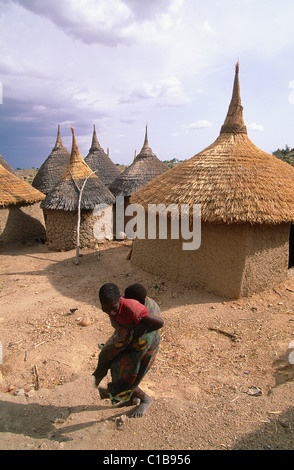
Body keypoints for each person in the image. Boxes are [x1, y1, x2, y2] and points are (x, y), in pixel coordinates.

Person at [92, 282, 163, 418]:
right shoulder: (117, 305)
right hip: (130, 342)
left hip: (143, 346)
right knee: (116, 367)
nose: (110, 313)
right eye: (105, 309)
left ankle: (145, 399)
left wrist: (135, 335)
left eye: (113, 308)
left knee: (126, 377)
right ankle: (132, 398)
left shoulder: (138, 313)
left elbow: (158, 324)